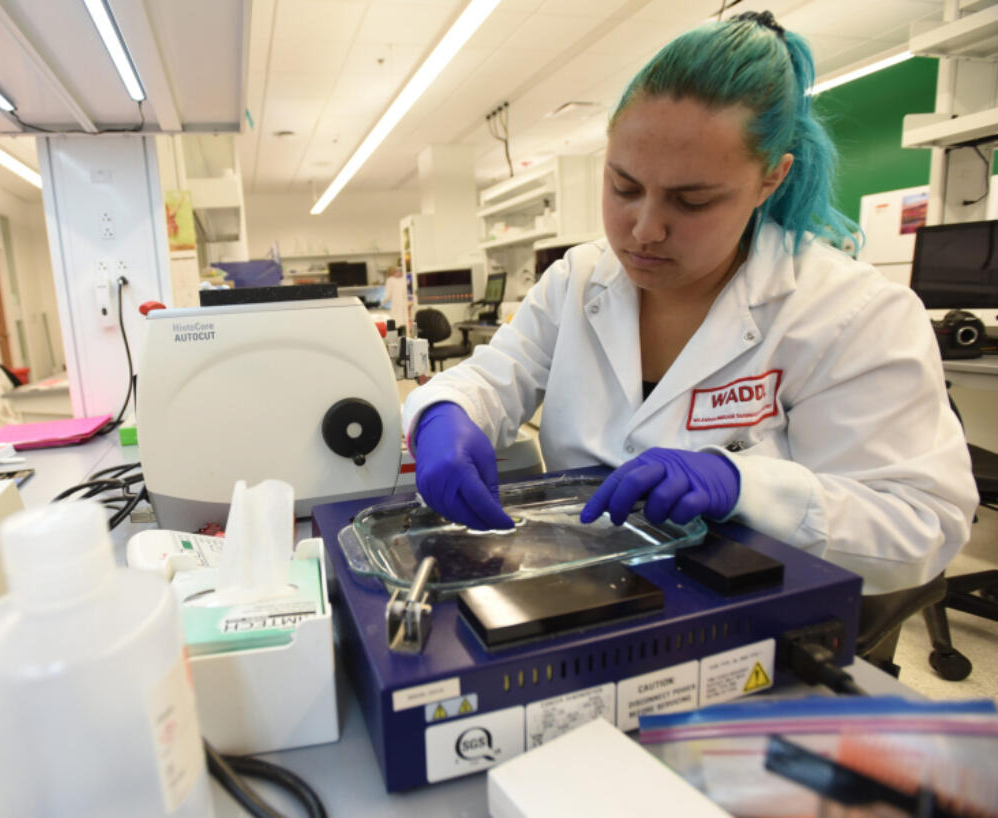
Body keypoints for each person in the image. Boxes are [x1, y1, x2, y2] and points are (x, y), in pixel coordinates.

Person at [401, 11, 978, 594]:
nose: (644, 230)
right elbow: (492, 378)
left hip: (753, 623)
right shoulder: (576, 279)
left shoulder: (851, 313)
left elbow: (920, 526)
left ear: (769, 181)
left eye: (693, 200)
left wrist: (744, 485)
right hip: (581, 591)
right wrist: (444, 412)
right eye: (624, 187)